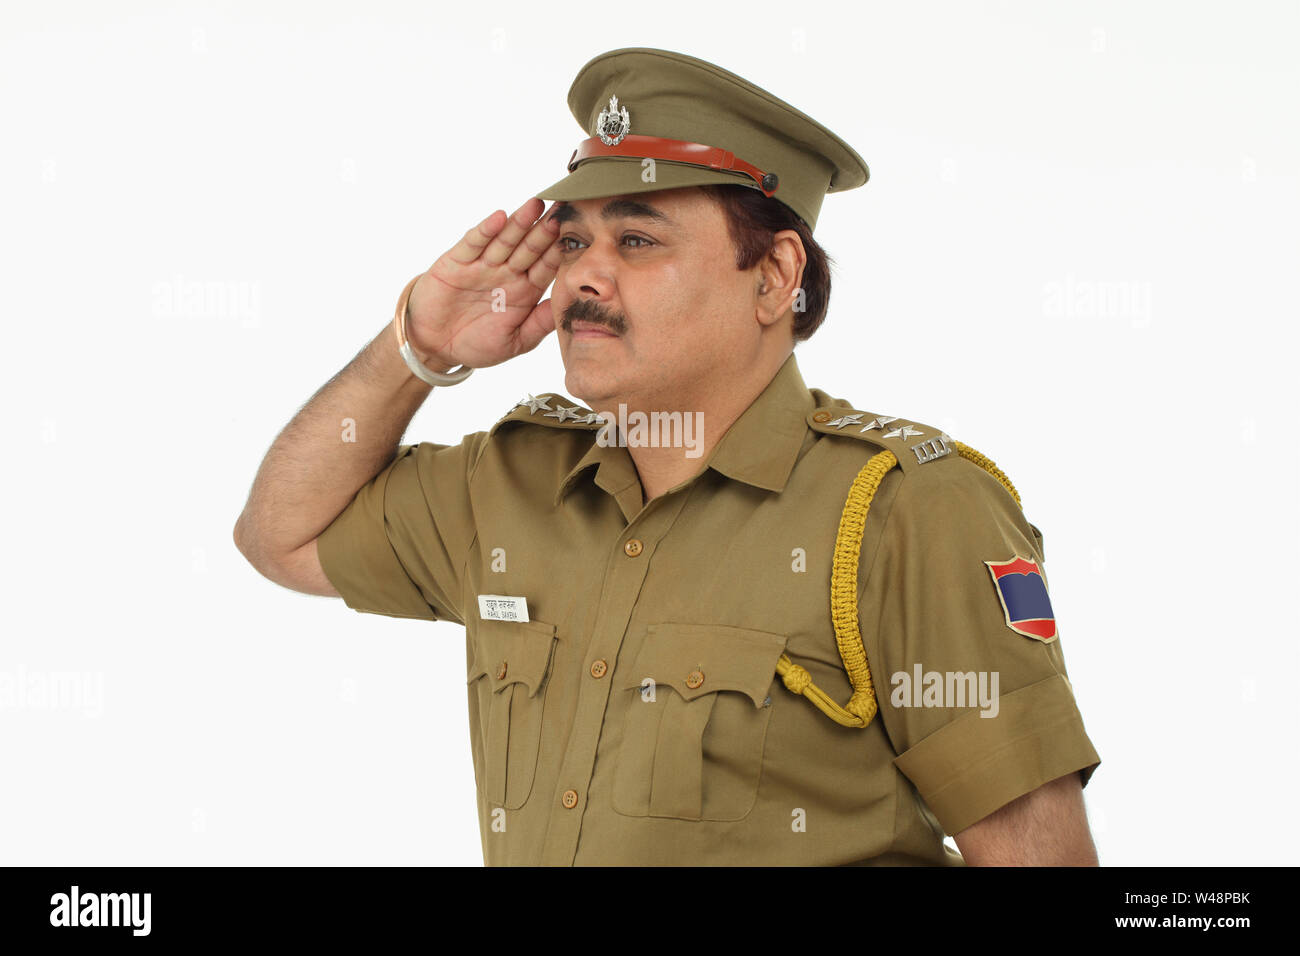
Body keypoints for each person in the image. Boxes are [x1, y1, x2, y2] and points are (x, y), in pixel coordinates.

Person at [234, 47, 1101, 866]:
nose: (581, 279)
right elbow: (281, 538)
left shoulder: (909, 512)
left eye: (637, 242)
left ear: (771, 277)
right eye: (573, 241)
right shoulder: (510, 482)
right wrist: (417, 346)